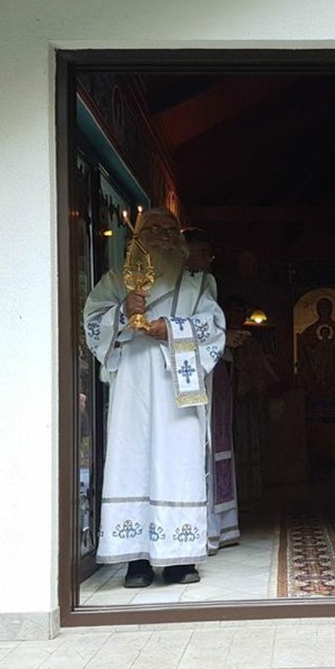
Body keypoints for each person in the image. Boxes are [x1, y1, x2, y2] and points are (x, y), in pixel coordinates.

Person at [84, 208, 225, 587]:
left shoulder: (199, 284)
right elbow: (93, 323)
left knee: (179, 464)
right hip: (133, 387)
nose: (162, 235)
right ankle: (137, 560)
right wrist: (121, 311)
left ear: (180, 239)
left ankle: (180, 559)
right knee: (134, 461)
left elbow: (214, 328)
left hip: (179, 386)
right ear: (138, 238)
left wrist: (173, 329)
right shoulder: (116, 281)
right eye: (154, 229)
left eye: (169, 229)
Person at [182, 226, 244, 553]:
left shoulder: (205, 282)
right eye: (203, 252)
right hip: (190, 378)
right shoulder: (170, 287)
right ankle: (202, 529)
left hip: (212, 374)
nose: (208, 259)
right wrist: (223, 339)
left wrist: (224, 340)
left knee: (217, 442)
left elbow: (208, 328)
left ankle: (218, 526)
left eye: (210, 253)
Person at [296, 297, 335, 412]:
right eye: (322, 308)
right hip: (317, 365)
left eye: (326, 308)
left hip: (332, 365)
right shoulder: (310, 331)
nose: (324, 311)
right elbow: (306, 348)